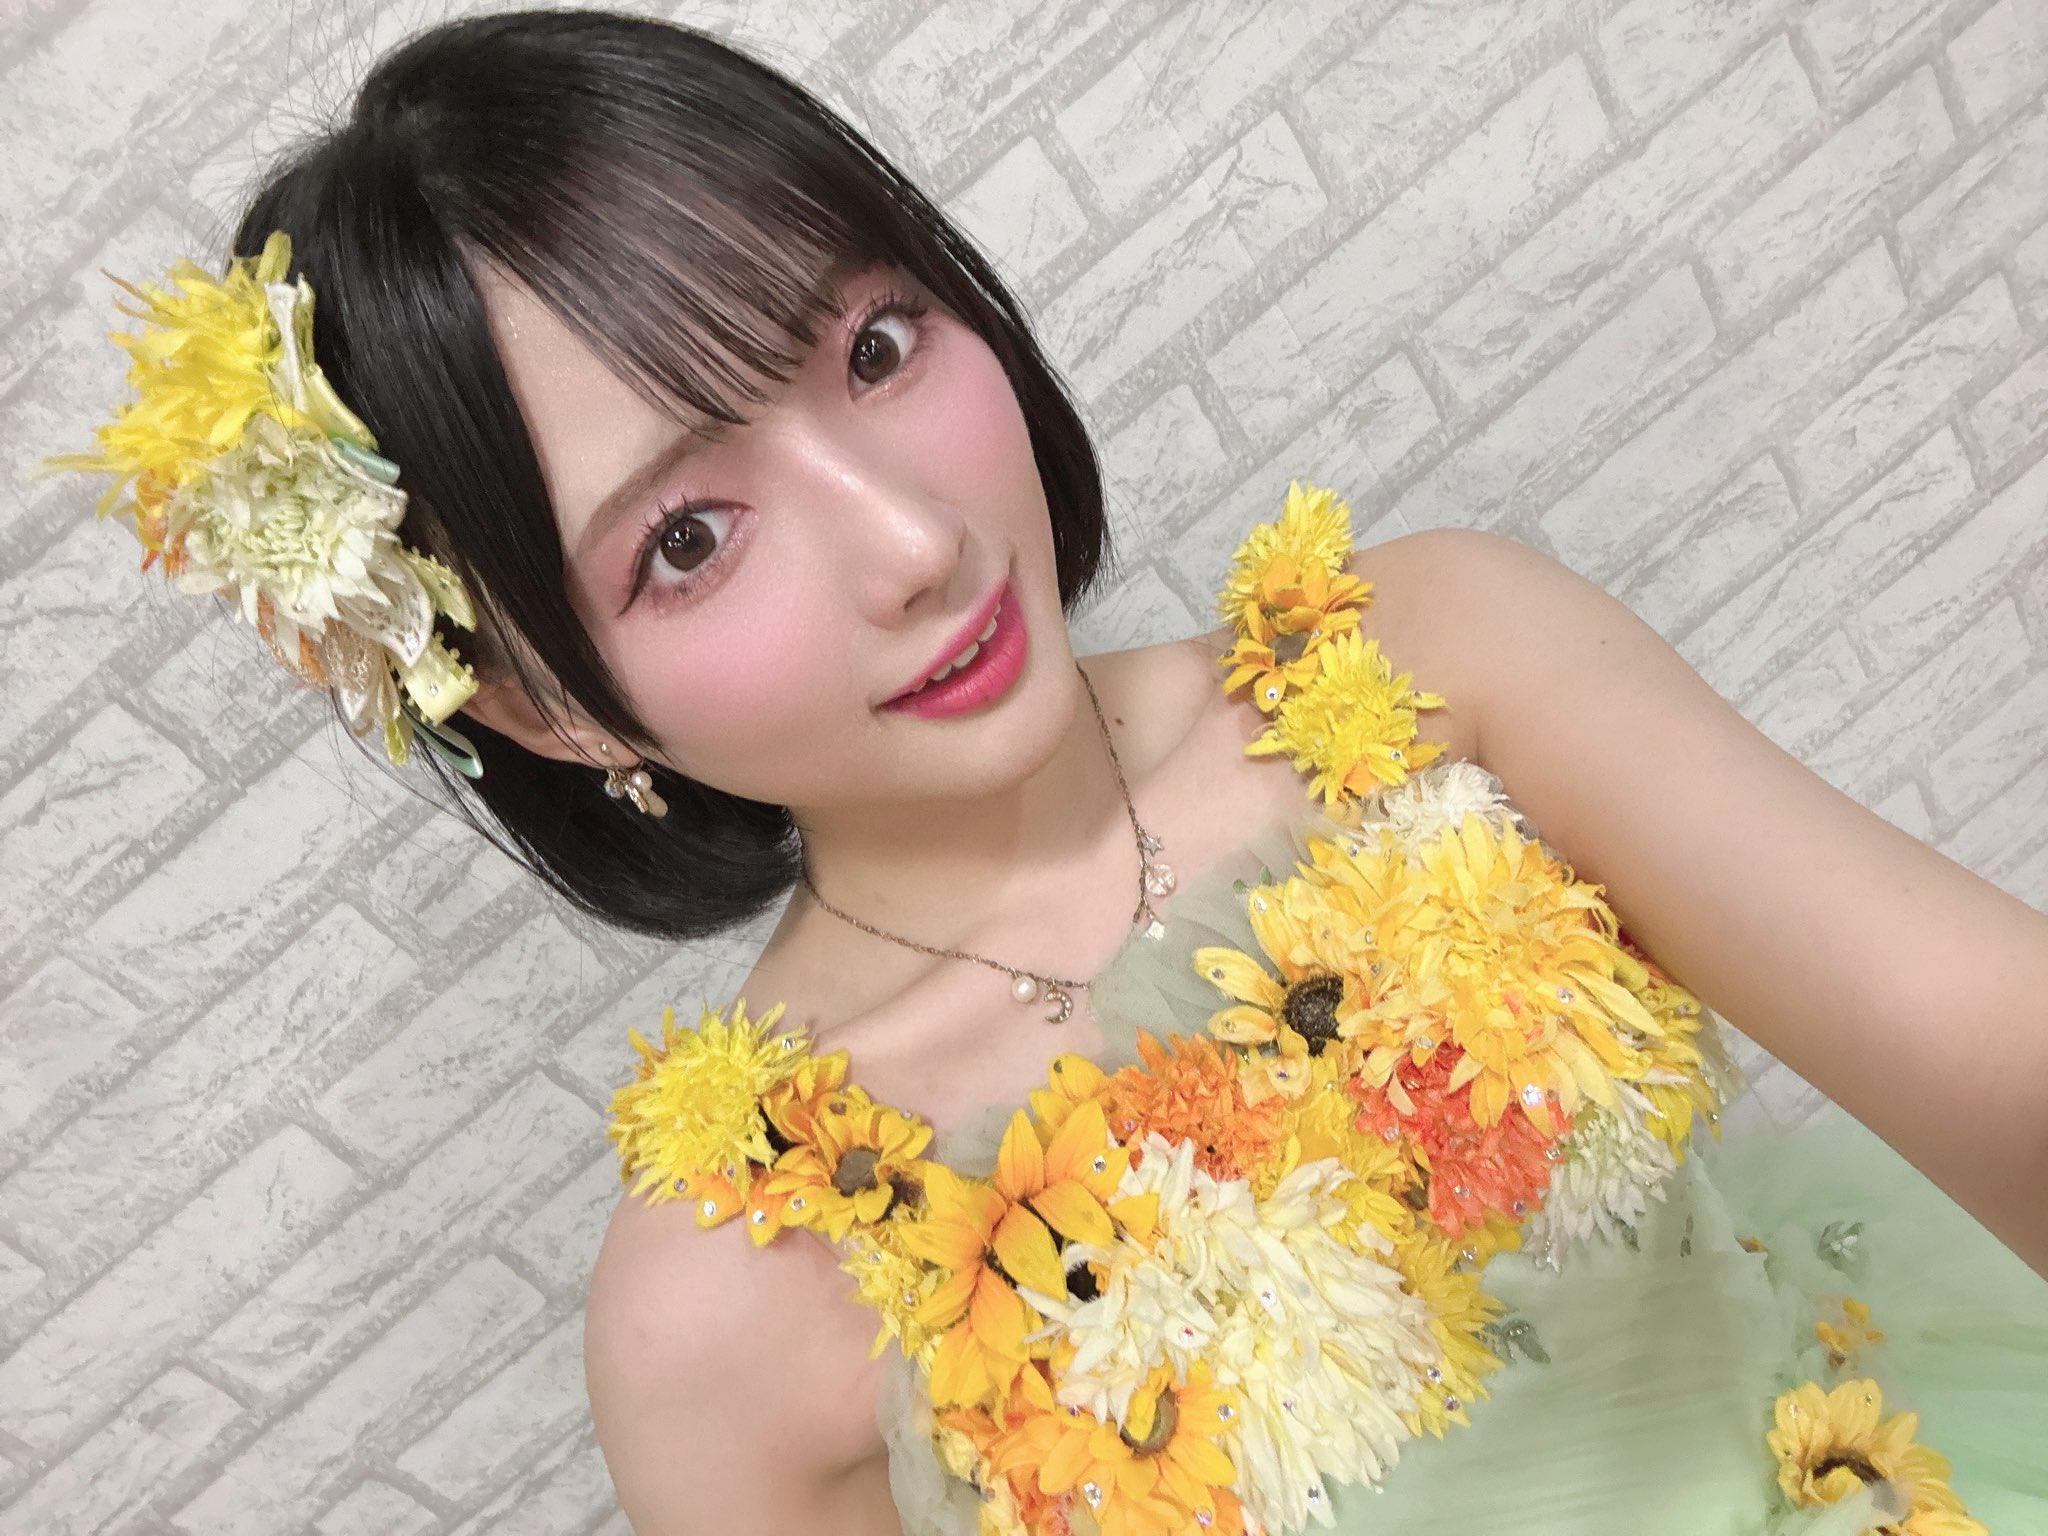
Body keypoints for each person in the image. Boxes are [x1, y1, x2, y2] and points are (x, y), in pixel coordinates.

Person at [40, 10, 2048, 1535]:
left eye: (875, 350)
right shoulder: (725, 1305)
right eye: (689, 537)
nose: (913, 539)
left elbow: (1991, 1042)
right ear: (551, 709)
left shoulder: (1438, 664)